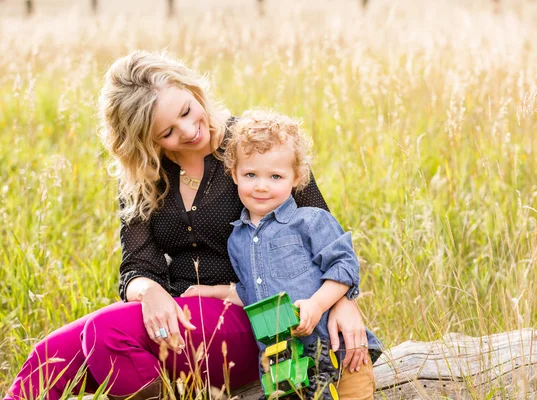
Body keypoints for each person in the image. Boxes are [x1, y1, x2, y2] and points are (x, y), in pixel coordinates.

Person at [3, 51, 373, 400]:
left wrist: (343, 302)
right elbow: (137, 266)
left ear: (193, 90)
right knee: (49, 353)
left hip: (257, 314)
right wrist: (151, 294)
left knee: (104, 334)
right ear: (145, 140)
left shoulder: (253, 144)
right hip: (181, 314)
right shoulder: (145, 174)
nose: (188, 130)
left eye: (186, 110)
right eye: (167, 132)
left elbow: (322, 231)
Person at [186, 109, 381, 399]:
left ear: (296, 177)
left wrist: (316, 304)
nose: (262, 186)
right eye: (251, 174)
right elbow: (250, 292)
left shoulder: (310, 221)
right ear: (234, 175)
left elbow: (344, 267)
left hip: (338, 350)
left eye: (276, 176)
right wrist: (211, 291)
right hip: (285, 364)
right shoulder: (237, 239)